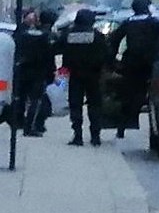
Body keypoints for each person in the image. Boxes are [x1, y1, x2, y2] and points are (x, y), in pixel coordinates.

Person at [106, 0, 159, 139]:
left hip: (131, 64)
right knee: (155, 96)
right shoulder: (156, 23)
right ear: (148, 7)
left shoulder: (127, 23)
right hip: (152, 64)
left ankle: (121, 128)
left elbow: (112, 42)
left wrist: (113, 62)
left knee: (128, 97)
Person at [53, 10, 110, 147]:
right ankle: (95, 137)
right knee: (95, 106)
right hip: (94, 76)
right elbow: (107, 54)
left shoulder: (68, 35)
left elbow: (56, 48)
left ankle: (77, 136)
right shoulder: (97, 36)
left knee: (75, 105)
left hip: (75, 75)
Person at [12, 10, 53, 138]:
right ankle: (30, 126)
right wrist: (50, 73)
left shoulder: (21, 35)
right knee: (35, 100)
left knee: (20, 97)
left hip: (22, 71)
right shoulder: (44, 36)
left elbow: (15, 51)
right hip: (38, 73)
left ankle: (18, 121)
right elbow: (49, 56)